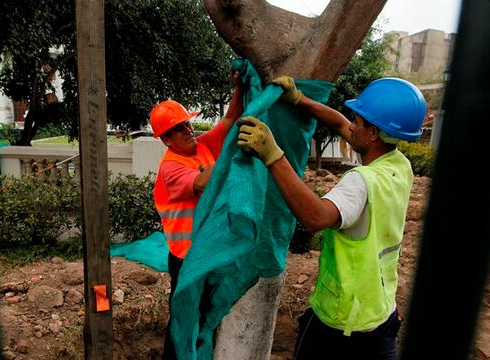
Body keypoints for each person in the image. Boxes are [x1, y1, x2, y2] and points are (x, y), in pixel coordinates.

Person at [236, 76, 427, 359]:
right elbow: (339, 123)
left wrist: (272, 155)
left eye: (358, 121)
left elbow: (315, 217)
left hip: (340, 324)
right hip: (380, 313)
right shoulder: (399, 165)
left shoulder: (361, 181)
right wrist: (300, 99)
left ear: (373, 133)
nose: (351, 124)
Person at [151, 72, 243, 360]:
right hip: (186, 258)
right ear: (166, 139)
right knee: (184, 319)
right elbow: (202, 183)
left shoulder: (201, 146)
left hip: (207, 252)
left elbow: (229, 121)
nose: (188, 130)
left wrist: (239, 87)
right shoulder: (171, 167)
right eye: (179, 129)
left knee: (206, 315)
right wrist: (230, 155)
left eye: (188, 124)